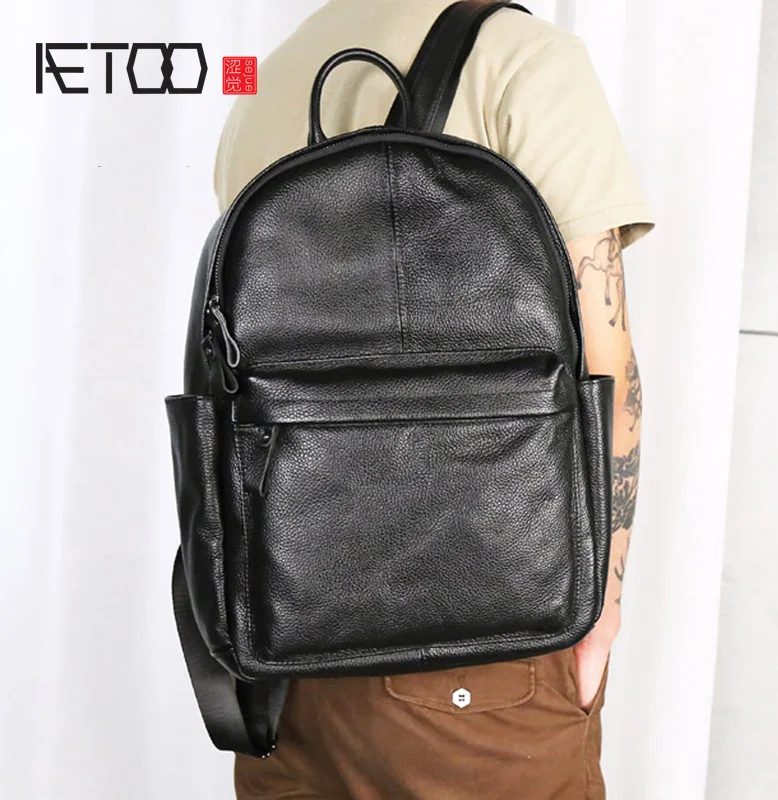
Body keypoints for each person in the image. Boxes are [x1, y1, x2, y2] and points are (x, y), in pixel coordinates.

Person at [214, 1, 654, 797]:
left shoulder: (272, 74)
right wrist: (604, 605)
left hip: (283, 645)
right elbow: (606, 359)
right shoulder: (523, 60)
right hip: (482, 652)